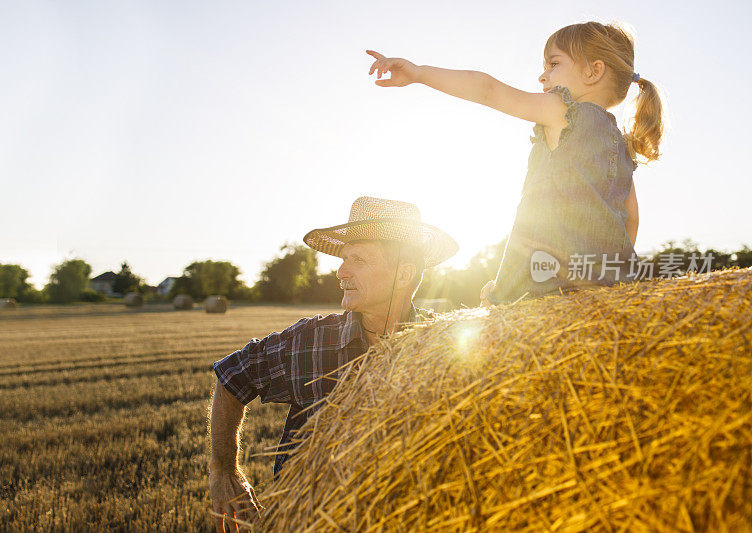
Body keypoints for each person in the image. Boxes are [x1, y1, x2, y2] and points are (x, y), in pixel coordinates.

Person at [365, 21, 665, 306]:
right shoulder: (622, 143)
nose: (543, 75)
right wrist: (610, 276)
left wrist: (420, 73)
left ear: (593, 71)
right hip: (609, 284)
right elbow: (632, 217)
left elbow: (487, 90)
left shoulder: (564, 111)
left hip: (546, 285)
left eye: (553, 63)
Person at [208, 196, 457, 531]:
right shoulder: (310, 341)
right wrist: (223, 469)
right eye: (343, 259)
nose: (341, 271)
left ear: (403, 274)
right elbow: (232, 376)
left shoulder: (444, 347)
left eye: (358, 259)